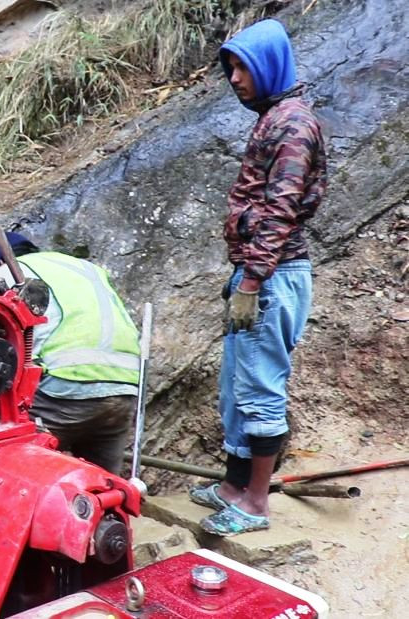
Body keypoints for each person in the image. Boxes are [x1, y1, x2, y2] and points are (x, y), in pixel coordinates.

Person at [189, 20, 326, 536]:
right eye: (230, 69)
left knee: (260, 389)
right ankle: (233, 486)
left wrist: (251, 282)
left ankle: (255, 504)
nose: (235, 79)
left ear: (269, 63)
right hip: (258, 272)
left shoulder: (292, 124)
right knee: (236, 387)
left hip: (272, 274)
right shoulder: (274, 118)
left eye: (242, 66)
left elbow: (280, 208)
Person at [0, 230, 141, 476]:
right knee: (103, 487)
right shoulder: (84, 267)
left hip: (64, 390)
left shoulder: (7, 272)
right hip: (125, 386)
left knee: (15, 476)